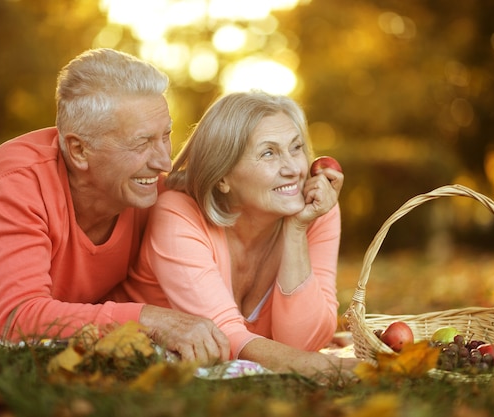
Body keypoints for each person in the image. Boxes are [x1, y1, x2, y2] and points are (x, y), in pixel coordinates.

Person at [0, 48, 229, 366]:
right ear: (79, 150)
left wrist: (300, 184)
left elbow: (234, 194)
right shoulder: (15, 185)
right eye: (142, 143)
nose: (162, 162)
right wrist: (151, 320)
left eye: (166, 136)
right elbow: (20, 316)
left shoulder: (147, 189)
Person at [111, 91, 360, 377]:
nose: (294, 169)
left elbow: (303, 342)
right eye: (269, 153)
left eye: (296, 148)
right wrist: (327, 368)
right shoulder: (177, 213)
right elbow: (223, 337)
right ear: (223, 178)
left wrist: (297, 229)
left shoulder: (317, 209)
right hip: (127, 360)